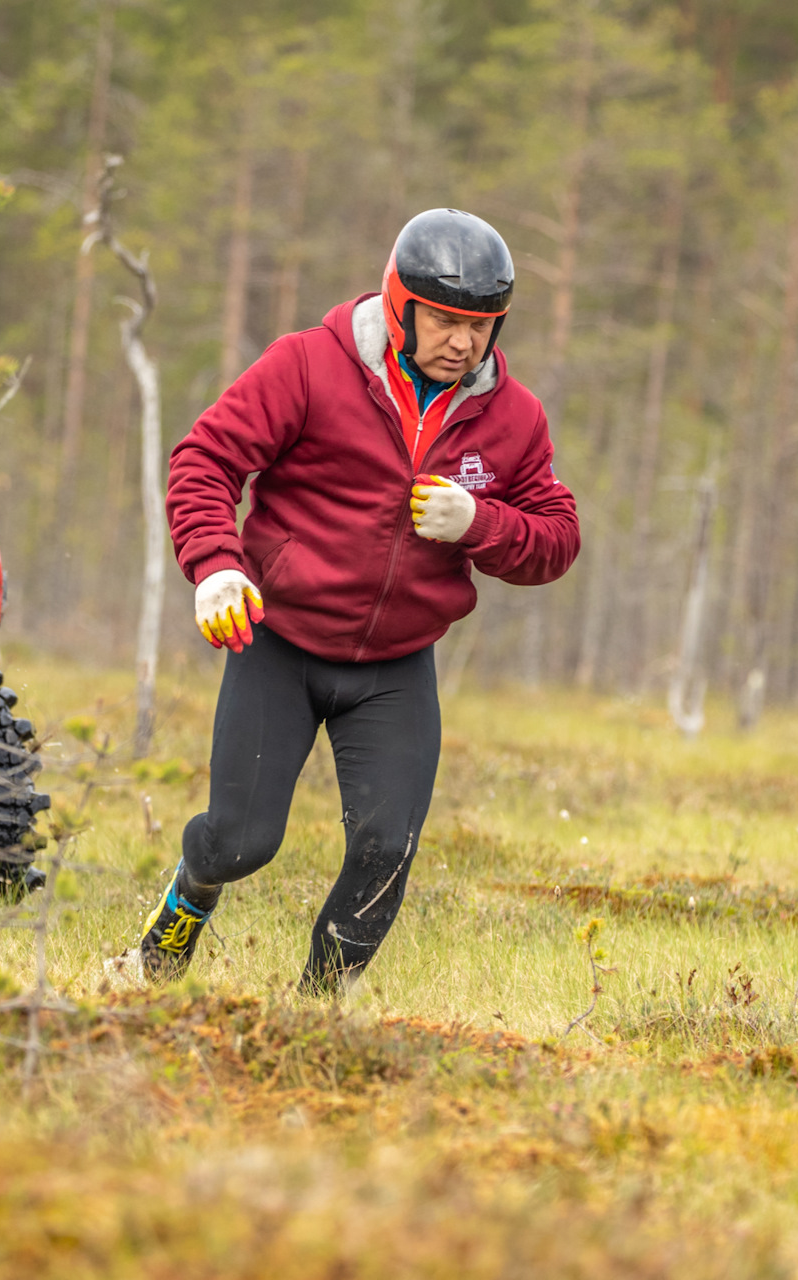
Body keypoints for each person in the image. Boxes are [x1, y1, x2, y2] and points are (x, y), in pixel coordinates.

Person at [129, 208, 581, 995]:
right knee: (239, 842)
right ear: (400, 303)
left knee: (385, 849)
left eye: (480, 326)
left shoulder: (513, 419)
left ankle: (315, 1013)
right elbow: (205, 459)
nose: (461, 342)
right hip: (280, 642)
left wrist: (481, 522)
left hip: (395, 667)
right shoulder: (308, 365)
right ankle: (171, 929)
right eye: (443, 320)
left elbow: (557, 537)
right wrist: (215, 567)